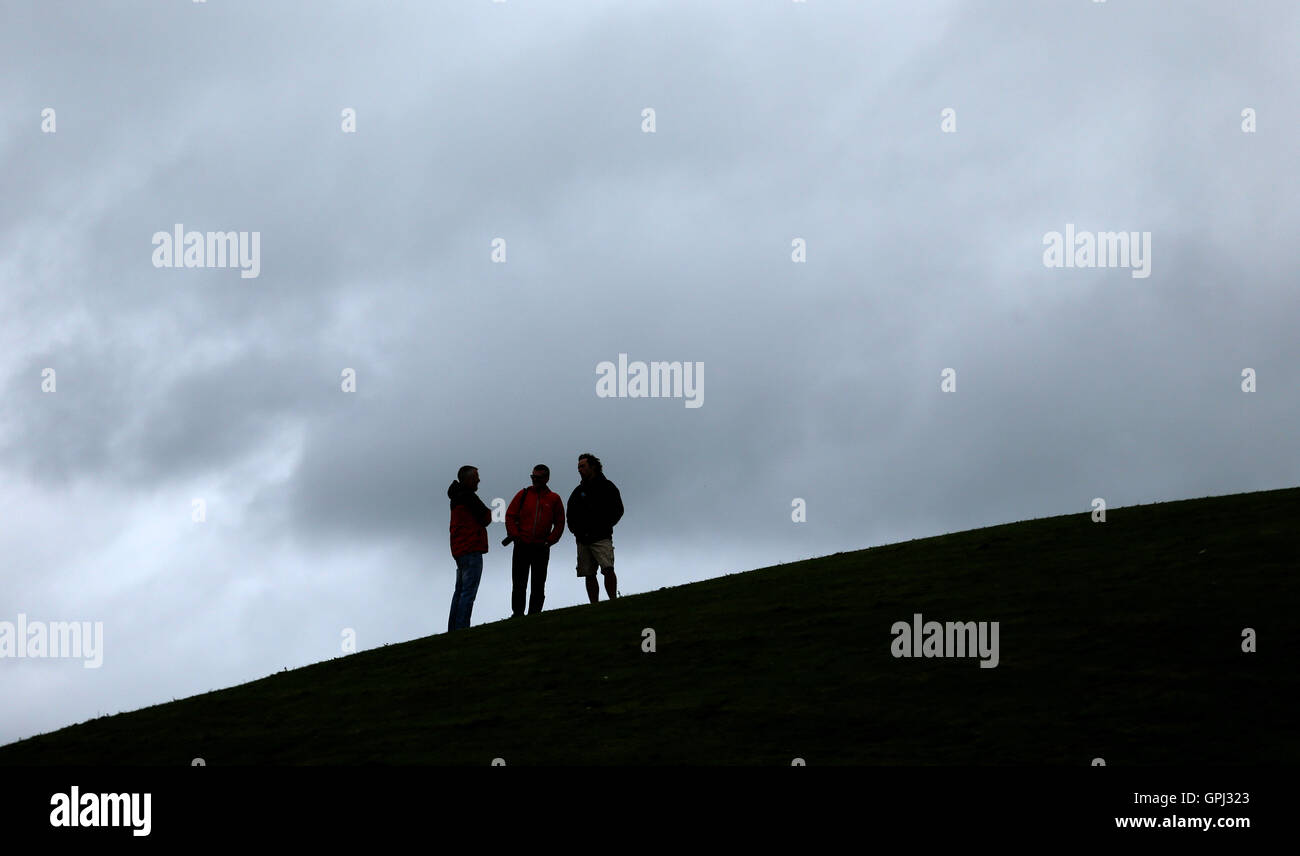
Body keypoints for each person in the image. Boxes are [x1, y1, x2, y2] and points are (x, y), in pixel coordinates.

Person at [504, 465, 566, 616]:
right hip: (522, 545)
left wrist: (549, 541)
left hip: (541, 547)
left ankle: (534, 614)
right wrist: (516, 537)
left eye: (538, 478)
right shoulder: (523, 494)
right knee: (519, 583)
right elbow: (510, 516)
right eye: (533, 477)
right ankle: (517, 613)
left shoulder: (554, 499)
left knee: (538, 584)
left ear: (546, 479)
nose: (535, 480)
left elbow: (560, 522)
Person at [567, 453, 624, 603]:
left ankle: (613, 600)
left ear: (593, 467)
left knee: (607, 569)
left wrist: (604, 526)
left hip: (601, 536)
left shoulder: (607, 486)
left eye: (582, 466)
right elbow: (570, 514)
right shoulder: (577, 492)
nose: (579, 469)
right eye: (578, 467)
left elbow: (618, 509)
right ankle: (594, 605)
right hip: (583, 539)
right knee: (589, 573)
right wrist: (576, 530)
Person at [447, 465, 492, 631]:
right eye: (476, 477)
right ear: (468, 479)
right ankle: (461, 628)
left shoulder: (456, 497)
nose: (479, 480)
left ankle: (453, 629)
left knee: (459, 591)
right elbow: (486, 517)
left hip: (459, 549)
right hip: (471, 547)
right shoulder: (468, 497)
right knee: (468, 592)